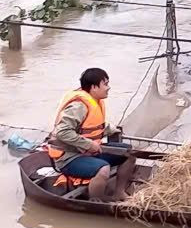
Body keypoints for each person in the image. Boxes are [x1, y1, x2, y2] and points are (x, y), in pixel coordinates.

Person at [46, 67, 137, 201]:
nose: (108, 87)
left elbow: (93, 128)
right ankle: (96, 201)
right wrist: (88, 144)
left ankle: (119, 192)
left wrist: (112, 130)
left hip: (88, 152)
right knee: (103, 169)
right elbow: (62, 132)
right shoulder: (78, 106)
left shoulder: (95, 102)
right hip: (69, 158)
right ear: (94, 87)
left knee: (129, 154)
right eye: (105, 84)